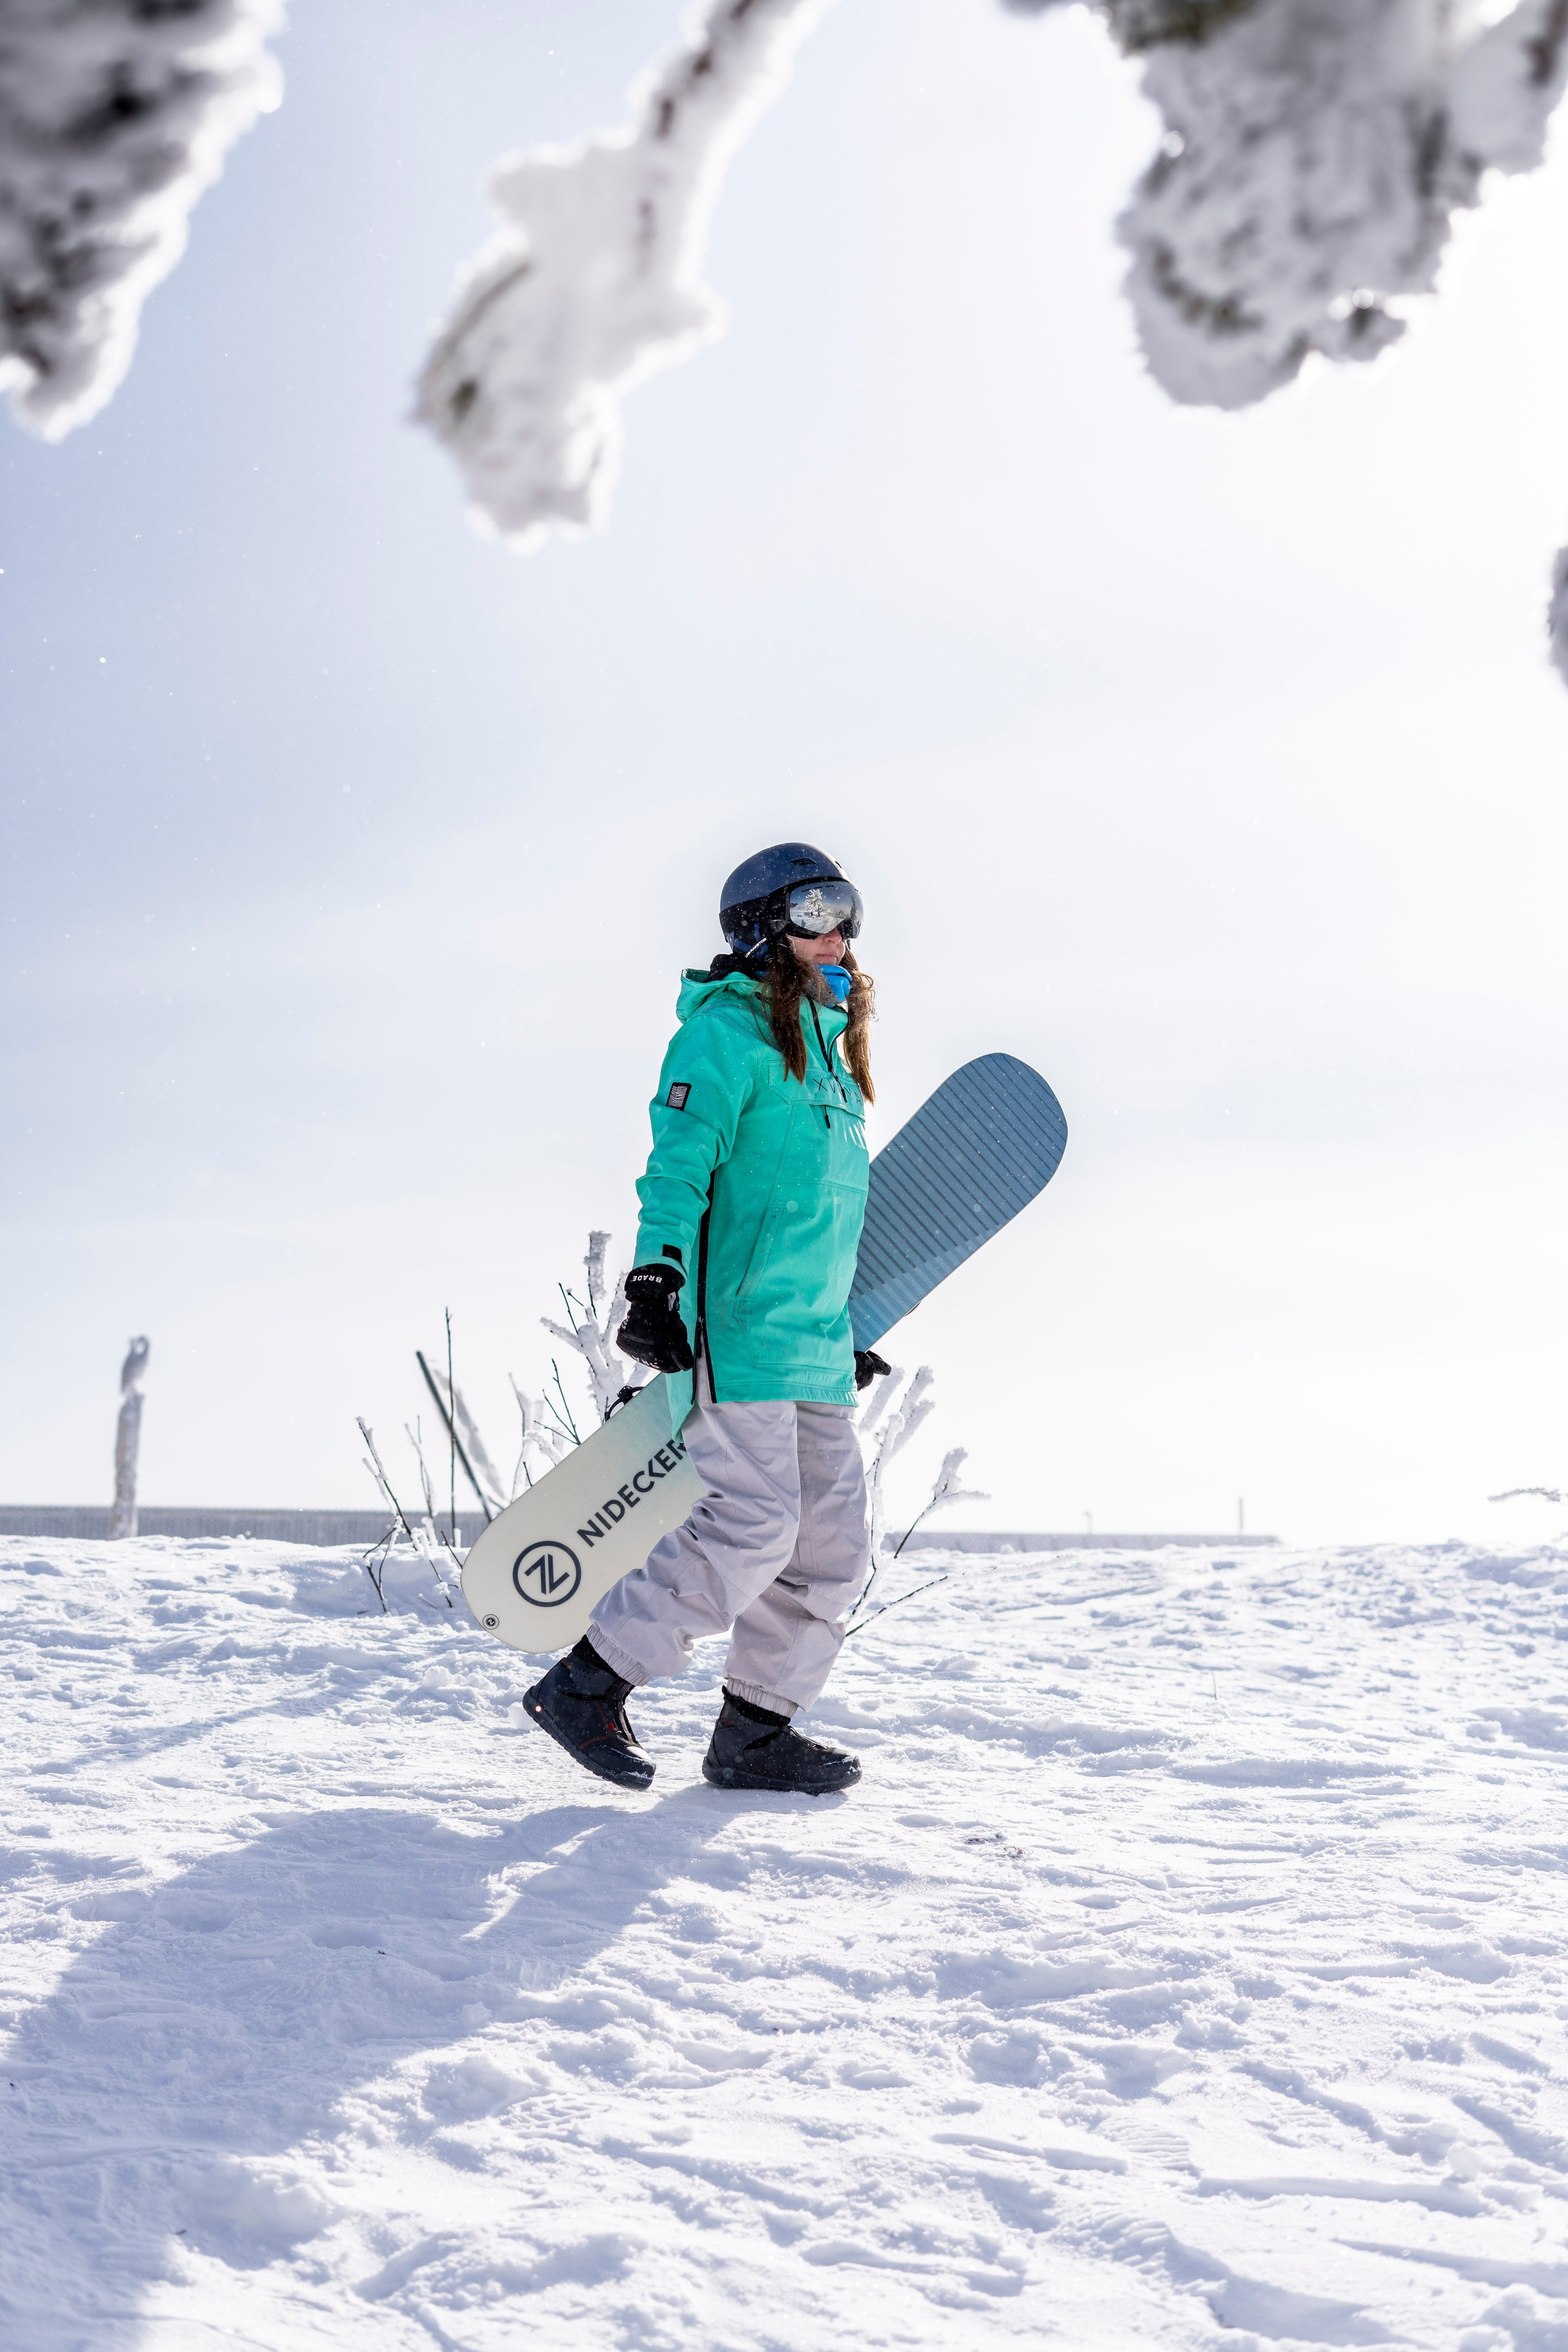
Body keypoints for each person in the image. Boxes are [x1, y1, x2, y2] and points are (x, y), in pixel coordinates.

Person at [522, 843, 892, 1796]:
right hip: (739, 1331)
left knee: (834, 1549)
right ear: (765, 925)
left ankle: (755, 1733)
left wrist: (844, 1331)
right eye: (816, 909)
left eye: (848, 909)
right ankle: (586, 1686)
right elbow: (679, 1168)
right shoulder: (723, 1037)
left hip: (811, 1341)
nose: (839, 930)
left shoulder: (834, 1052)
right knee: (755, 1527)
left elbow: (816, 1212)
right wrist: (657, 1280)